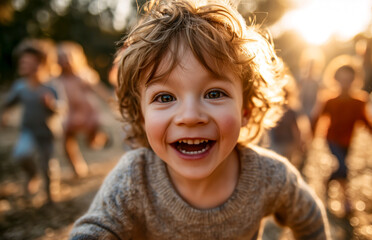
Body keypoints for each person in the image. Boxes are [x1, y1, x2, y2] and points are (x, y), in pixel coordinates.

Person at [69, 0, 330, 239]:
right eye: (165, 97)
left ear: (245, 110)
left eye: (214, 93)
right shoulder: (134, 179)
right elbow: (96, 230)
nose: (190, 117)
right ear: (141, 113)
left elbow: (310, 221)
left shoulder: (270, 176)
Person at [312, 64, 372, 214]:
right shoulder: (329, 100)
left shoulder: (359, 101)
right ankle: (346, 200)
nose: (345, 82)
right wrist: (310, 136)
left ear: (355, 80)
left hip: (348, 141)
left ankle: (328, 182)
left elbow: (365, 120)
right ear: (335, 79)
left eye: (349, 79)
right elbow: (317, 118)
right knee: (344, 167)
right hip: (331, 139)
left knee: (342, 168)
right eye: (342, 79)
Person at [0, 41, 57, 204]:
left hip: (47, 133)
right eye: (21, 61)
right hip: (28, 130)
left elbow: (61, 108)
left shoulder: (50, 87)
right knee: (21, 154)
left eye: (26, 61)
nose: (21, 64)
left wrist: (51, 104)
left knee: (47, 166)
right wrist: (5, 114)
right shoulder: (20, 87)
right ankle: (33, 175)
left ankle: (49, 195)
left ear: (40, 64)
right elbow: (9, 103)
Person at [53, 41, 111, 178]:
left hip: (87, 112)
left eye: (69, 58)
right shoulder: (57, 79)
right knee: (67, 139)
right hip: (70, 114)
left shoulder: (84, 75)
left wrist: (109, 100)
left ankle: (102, 139)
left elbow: (98, 89)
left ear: (77, 59)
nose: (66, 61)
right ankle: (77, 167)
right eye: (62, 58)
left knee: (91, 143)